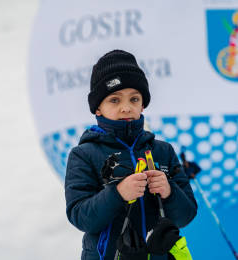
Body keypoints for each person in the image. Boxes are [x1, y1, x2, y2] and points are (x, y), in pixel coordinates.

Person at [65, 50, 197, 260]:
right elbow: (81, 217)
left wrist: (169, 192)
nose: (126, 108)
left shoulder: (163, 151)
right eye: (115, 100)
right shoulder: (83, 154)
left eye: (134, 99)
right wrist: (117, 193)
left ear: (142, 104)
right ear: (98, 107)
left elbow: (186, 216)